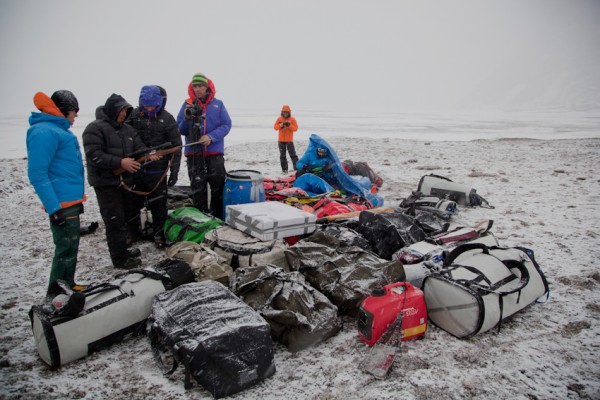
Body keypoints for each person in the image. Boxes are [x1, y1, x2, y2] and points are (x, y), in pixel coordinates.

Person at [82, 94, 159, 269]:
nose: (125, 114)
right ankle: (120, 259)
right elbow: (94, 155)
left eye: (126, 111)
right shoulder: (94, 128)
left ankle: (122, 250)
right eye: (122, 111)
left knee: (124, 217)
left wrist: (148, 155)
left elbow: (139, 148)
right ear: (112, 110)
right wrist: (120, 163)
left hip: (125, 182)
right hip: (106, 183)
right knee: (114, 221)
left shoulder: (128, 130)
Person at [27, 90, 87, 296]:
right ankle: (55, 292)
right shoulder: (45, 131)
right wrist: (54, 208)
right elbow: (37, 172)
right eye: (74, 111)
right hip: (61, 204)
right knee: (64, 248)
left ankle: (67, 283)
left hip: (69, 201)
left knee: (71, 246)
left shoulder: (56, 130)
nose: (76, 115)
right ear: (64, 110)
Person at [126, 85, 182, 247]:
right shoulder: (134, 115)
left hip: (158, 171)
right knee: (132, 204)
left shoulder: (168, 119)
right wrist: (142, 154)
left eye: (152, 106)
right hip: (136, 169)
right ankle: (132, 232)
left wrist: (174, 171)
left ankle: (159, 234)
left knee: (159, 204)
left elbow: (176, 146)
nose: (149, 108)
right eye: (146, 105)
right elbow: (127, 139)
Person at [176, 73, 231, 219]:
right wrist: (187, 119)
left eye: (201, 86)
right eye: (195, 86)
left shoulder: (218, 104)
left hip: (214, 153)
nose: (198, 89)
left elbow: (227, 124)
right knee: (197, 189)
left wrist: (211, 137)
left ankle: (218, 218)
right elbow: (180, 130)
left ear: (207, 88)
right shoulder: (187, 104)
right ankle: (200, 221)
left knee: (218, 186)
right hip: (194, 153)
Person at [273, 105, 299, 173]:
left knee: (293, 155)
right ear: (282, 112)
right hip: (281, 140)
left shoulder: (292, 119)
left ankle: (296, 168)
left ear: (289, 112)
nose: (285, 113)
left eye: (286, 112)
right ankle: (284, 170)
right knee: (282, 156)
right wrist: (280, 125)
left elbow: (295, 128)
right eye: (284, 112)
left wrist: (289, 125)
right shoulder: (279, 119)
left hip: (289, 140)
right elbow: (275, 127)